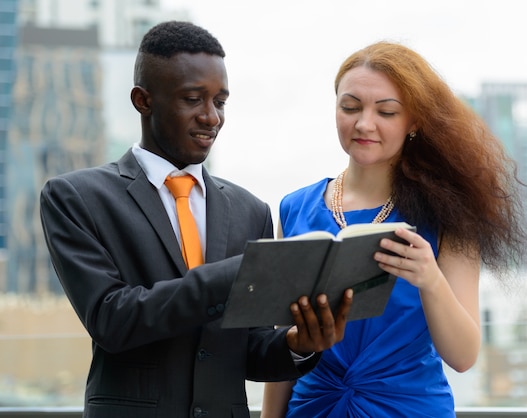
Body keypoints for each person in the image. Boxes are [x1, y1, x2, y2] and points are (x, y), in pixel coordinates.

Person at [39, 21, 352, 418]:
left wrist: (299, 343)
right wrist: (240, 272)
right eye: (193, 99)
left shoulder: (251, 210)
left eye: (219, 101)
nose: (211, 117)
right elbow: (111, 321)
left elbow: (249, 351)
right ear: (143, 100)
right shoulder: (76, 197)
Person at [261, 41, 527, 417]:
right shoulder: (295, 208)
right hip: (312, 407)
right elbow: (286, 346)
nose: (364, 124)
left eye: (386, 111)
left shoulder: (448, 214)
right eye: (350, 107)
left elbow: (464, 355)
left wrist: (430, 279)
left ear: (415, 122)